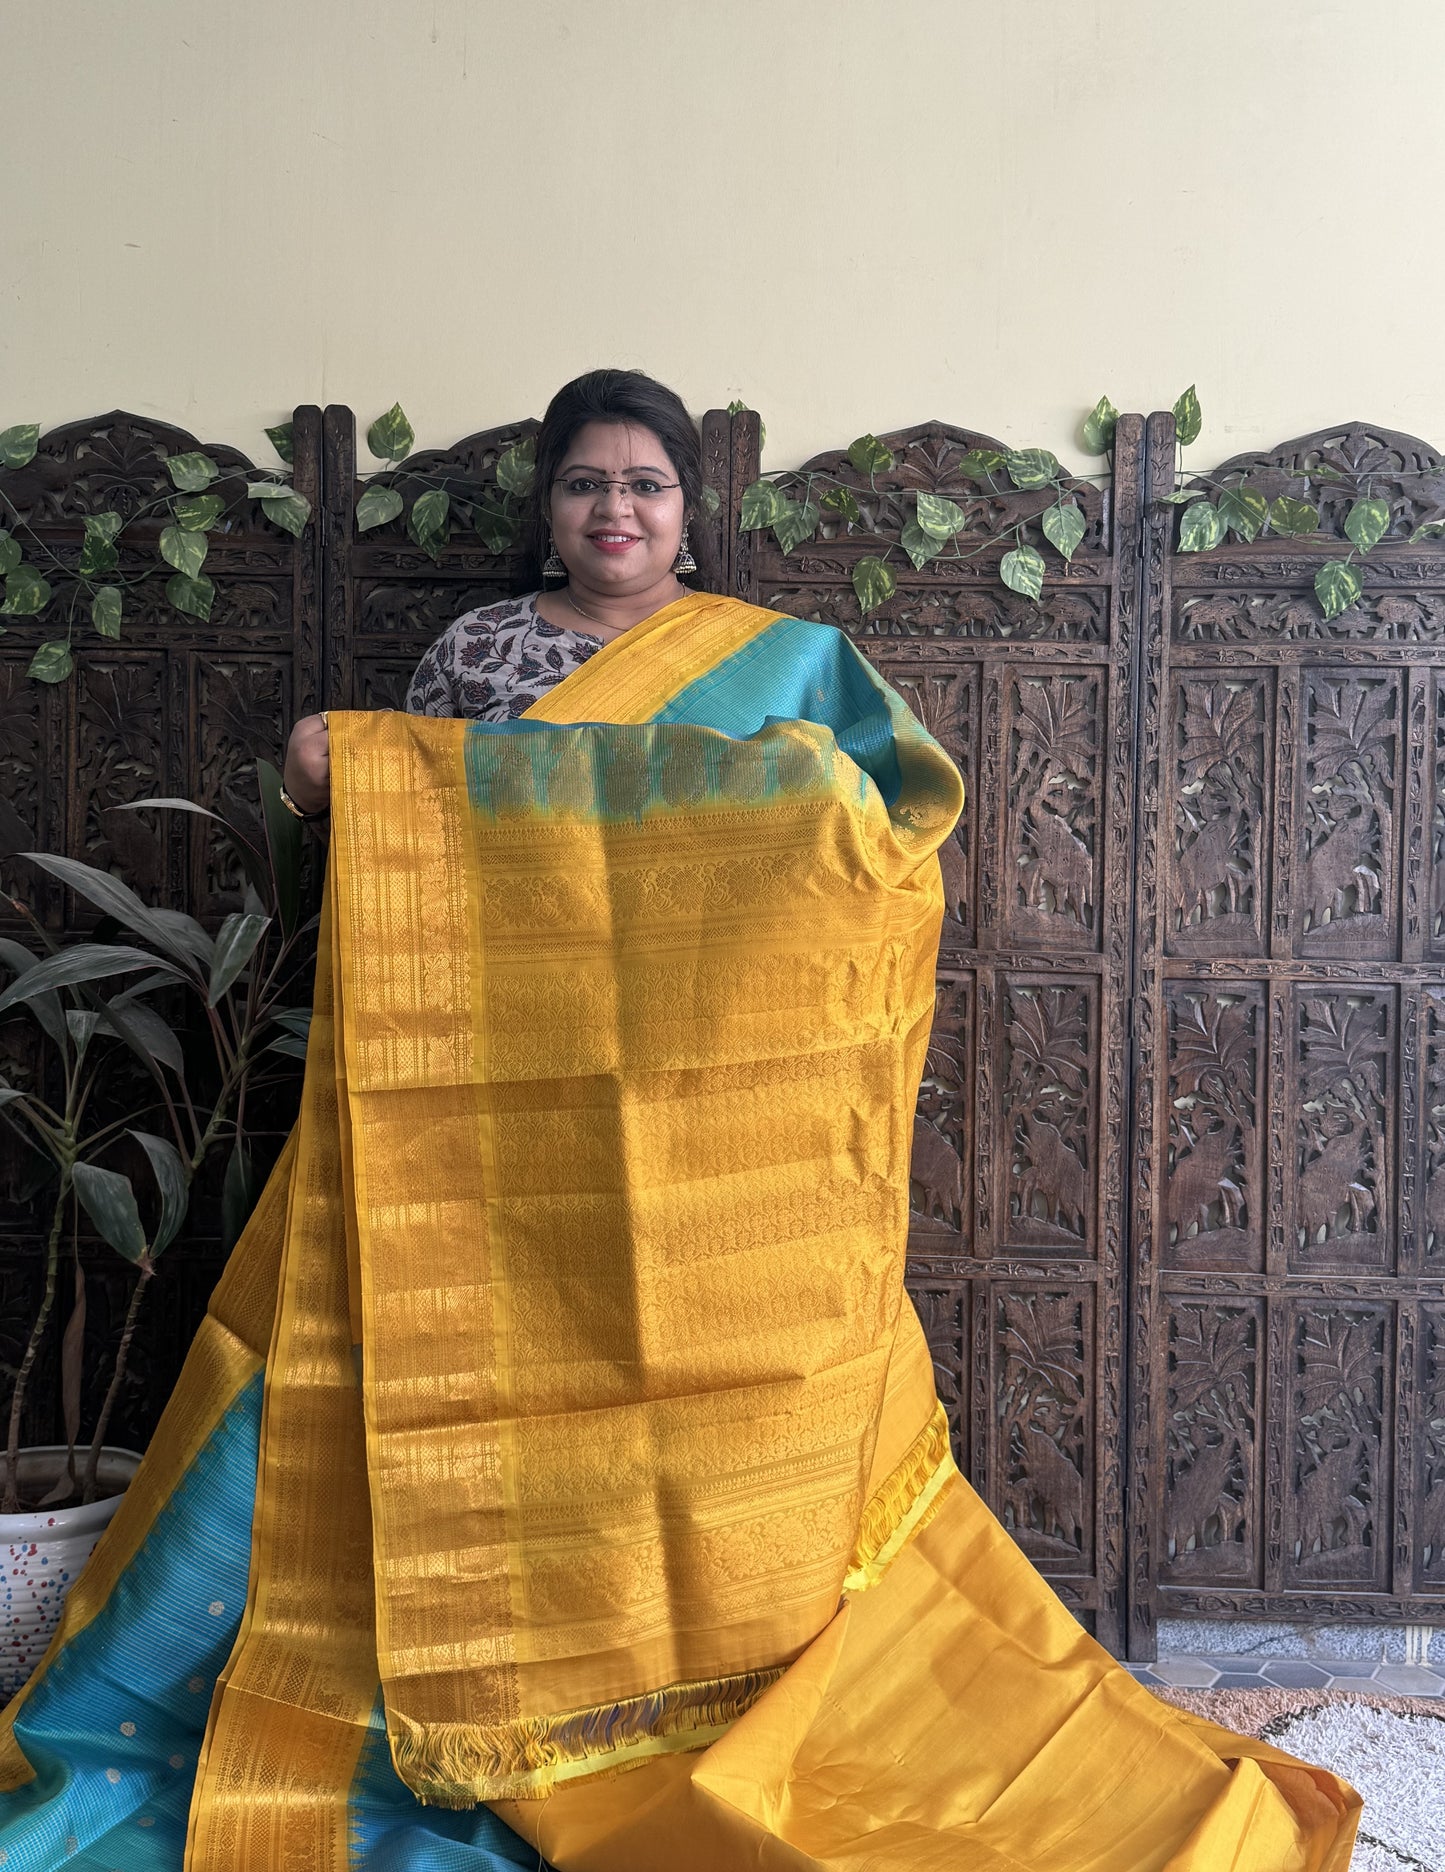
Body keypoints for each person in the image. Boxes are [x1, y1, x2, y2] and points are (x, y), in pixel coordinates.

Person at [0, 371, 1358, 1872]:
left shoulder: (781, 666)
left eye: (644, 483)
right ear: (549, 510)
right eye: (587, 483)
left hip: (703, 1121)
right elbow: (412, 843)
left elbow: (873, 827)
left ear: (688, 516)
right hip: (490, 1115)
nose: (616, 509)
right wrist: (369, 770)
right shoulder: (479, 650)